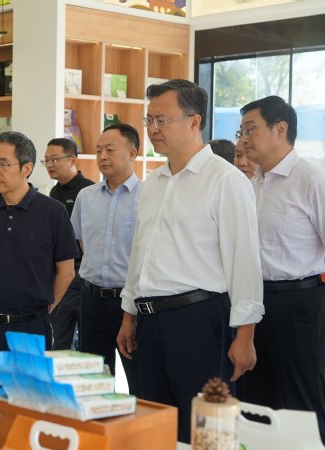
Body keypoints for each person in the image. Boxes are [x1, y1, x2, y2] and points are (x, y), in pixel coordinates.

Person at [115, 79, 264, 444]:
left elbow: (244, 262)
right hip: (149, 323)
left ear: (194, 121)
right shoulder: (153, 183)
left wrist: (245, 336)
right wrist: (129, 314)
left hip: (198, 321)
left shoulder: (226, 180)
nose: (153, 129)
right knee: (154, 428)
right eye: (149, 120)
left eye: (162, 120)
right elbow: (140, 253)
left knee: (205, 433)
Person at [237, 95, 325, 450]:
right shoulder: (252, 182)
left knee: (301, 410)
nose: (243, 139)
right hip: (254, 305)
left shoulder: (312, 180)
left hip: (299, 306)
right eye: (241, 131)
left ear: (280, 129)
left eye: (250, 129)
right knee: (256, 406)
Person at [0, 131, 77, 375]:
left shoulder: (53, 212)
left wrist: (43, 309)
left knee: (28, 395)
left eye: (4, 164)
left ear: (27, 168)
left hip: (31, 328)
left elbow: (66, 272)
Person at [71, 123, 141, 394]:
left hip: (131, 303)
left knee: (139, 381)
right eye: (98, 150)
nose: (102, 156)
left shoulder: (147, 196)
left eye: (110, 150)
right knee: (94, 383)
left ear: (132, 153)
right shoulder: (86, 196)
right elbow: (80, 242)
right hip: (91, 300)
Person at [43, 137, 95, 350]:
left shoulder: (89, 191)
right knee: (59, 336)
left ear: (73, 160)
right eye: (46, 160)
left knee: (80, 339)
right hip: (58, 272)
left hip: (80, 272)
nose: (50, 165)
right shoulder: (54, 191)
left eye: (55, 159)